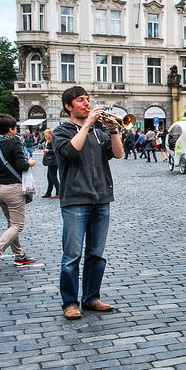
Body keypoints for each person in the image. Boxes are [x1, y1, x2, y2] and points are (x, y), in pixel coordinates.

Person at [52, 86, 123, 319]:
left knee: (96, 253)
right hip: (75, 200)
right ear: (68, 106)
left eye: (87, 99)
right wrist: (87, 125)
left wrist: (113, 132)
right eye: (80, 100)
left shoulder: (98, 132)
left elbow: (118, 154)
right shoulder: (61, 131)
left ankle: (91, 297)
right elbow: (71, 152)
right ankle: (70, 302)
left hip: (101, 197)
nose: (86, 103)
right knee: (72, 255)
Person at [0, 114, 37, 272]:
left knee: (11, 224)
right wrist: (30, 163)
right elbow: (21, 165)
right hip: (12, 188)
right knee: (18, 225)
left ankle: (19, 255)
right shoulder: (15, 143)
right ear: (11, 129)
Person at [41, 128, 60, 198]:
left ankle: (59, 192)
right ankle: (48, 193)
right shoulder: (48, 141)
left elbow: (56, 150)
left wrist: (48, 150)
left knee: (53, 177)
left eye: (45, 134)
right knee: (50, 178)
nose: (44, 135)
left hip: (53, 161)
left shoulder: (52, 141)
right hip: (51, 161)